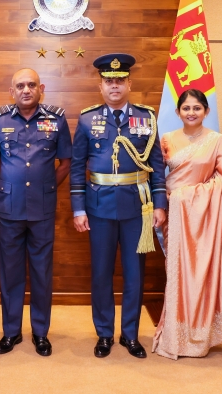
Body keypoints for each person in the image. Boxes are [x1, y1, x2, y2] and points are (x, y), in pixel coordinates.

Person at [71, 54, 167, 359]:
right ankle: (104, 333)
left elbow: (157, 166)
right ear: (100, 86)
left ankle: (130, 334)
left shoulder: (146, 117)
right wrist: (78, 209)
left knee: (134, 274)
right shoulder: (87, 119)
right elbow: (77, 167)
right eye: (109, 81)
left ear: (129, 83)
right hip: (98, 207)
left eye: (120, 80)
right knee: (101, 272)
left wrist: (160, 204)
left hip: (137, 207)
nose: (115, 85)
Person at [0, 68, 72, 357]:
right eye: (20, 85)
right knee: (10, 273)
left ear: (41, 89)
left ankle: (40, 332)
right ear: (12, 91)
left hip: (42, 208)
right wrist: (11, 185)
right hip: (10, 208)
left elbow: (66, 162)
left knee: (41, 272)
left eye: (31, 85)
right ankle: (11, 332)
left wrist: (46, 187)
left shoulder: (57, 118)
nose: (26, 90)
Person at [151, 89, 222, 359]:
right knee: (177, 272)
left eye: (197, 108)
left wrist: (189, 195)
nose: (191, 112)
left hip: (206, 218)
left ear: (206, 111)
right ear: (178, 112)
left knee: (201, 272)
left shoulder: (216, 141)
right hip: (175, 216)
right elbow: (156, 176)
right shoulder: (167, 139)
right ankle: (176, 333)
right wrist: (169, 200)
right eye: (186, 108)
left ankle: (201, 336)